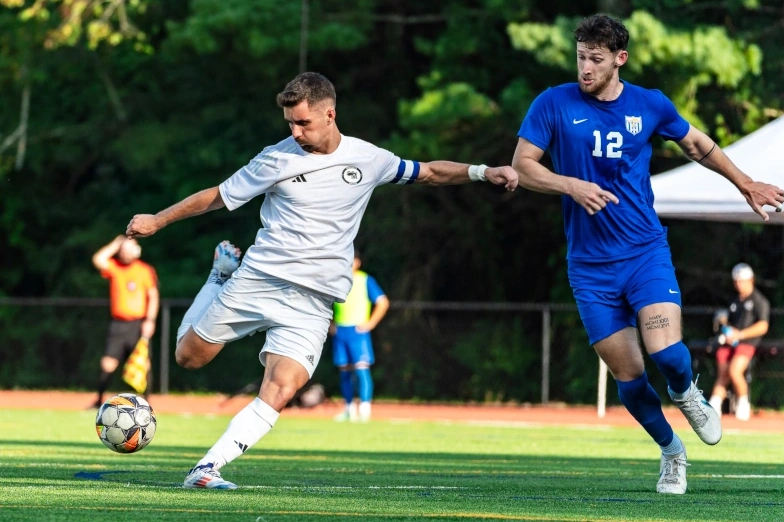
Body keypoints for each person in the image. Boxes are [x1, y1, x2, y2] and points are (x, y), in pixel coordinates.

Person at [125, 72, 518, 489]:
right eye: (289, 124)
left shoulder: (369, 158)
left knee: (282, 387)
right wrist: (158, 219)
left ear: (329, 114)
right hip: (261, 279)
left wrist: (481, 171)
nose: (294, 132)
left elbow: (429, 172)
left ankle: (206, 469)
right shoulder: (276, 158)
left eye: (302, 123)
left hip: (313, 302)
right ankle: (218, 277)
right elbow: (217, 195)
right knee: (189, 357)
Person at [511, 15, 784, 495]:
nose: (586, 69)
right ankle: (672, 452)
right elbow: (523, 166)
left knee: (670, 356)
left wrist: (745, 183)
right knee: (631, 375)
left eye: (596, 59)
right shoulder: (552, 103)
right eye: (580, 58)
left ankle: (687, 392)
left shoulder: (649, 104)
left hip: (644, 253)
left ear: (620, 59)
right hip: (590, 269)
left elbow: (697, 144)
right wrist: (569, 184)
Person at [91, 235, 159, 408]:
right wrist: (116, 243)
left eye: (129, 249)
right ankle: (98, 400)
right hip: (119, 324)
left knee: (143, 363)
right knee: (108, 363)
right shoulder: (115, 267)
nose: (125, 253)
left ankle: (146, 403)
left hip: (138, 324)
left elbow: (153, 296)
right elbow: (98, 259)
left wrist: (150, 320)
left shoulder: (144, 270)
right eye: (123, 249)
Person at [331, 250, 390, 422]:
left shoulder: (365, 280)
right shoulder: (336, 281)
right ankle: (349, 409)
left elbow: (383, 302)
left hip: (358, 332)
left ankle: (365, 409)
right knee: (344, 372)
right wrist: (330, 323)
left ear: (357, 262)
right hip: (341, 331)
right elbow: (324, 303)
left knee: (362, 369)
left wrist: (371, 323)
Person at [708, 264, 770, 421]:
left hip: (747, 343)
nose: (739, 284)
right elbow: (729, 323)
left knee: (735, 371)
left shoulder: (759, 300)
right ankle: (713, 407)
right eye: (736, 281)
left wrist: (740, 335)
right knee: (722, 374)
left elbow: (763, 326)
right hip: (730, 344)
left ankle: (743, 405)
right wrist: (725, 327)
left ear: (751, 280)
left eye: (742, 280)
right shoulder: (734, 301)